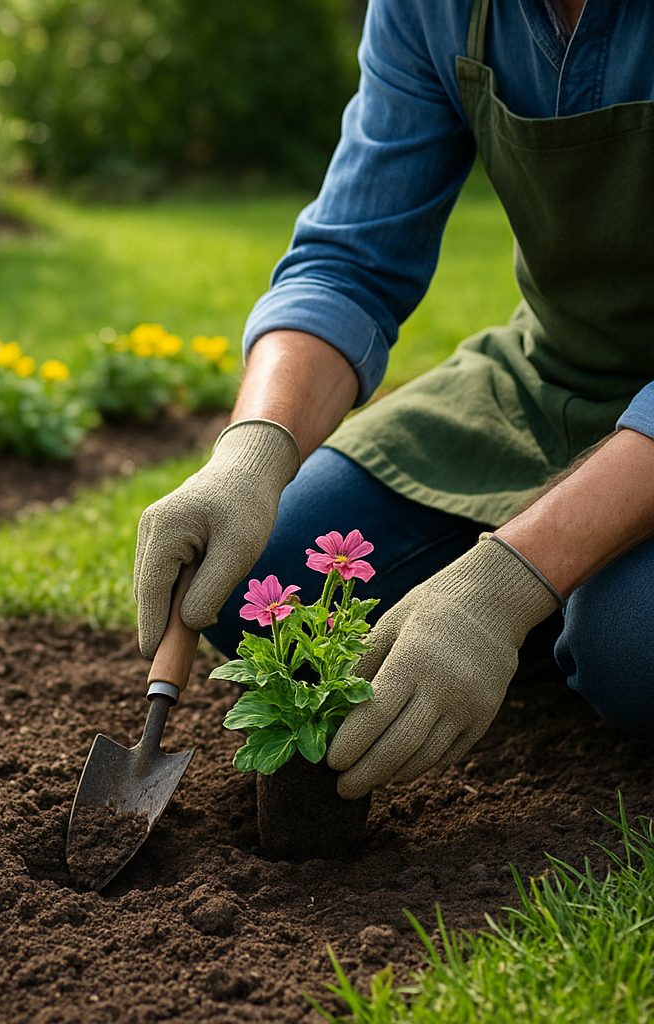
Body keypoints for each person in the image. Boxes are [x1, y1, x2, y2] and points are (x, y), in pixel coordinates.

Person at [133, 0, 654, 801]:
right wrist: (254, 449)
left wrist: (505, 587)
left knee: (632, 648)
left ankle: (572, 610)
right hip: (551, 375)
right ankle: (567, 601)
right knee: (267, 587)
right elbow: (350, 261)